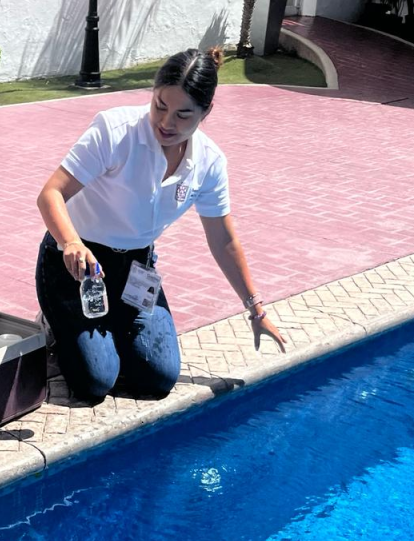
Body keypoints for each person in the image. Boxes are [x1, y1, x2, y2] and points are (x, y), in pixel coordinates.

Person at [35, 47, 287, 402]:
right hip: (77, 265)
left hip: (136, 268)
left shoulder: (209, 162)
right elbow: (51, 194)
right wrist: (71, 243)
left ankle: (107, 327)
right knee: (96, 382)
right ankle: (56, 323)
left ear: (206, 112)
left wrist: (256, 310)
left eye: (184, 114)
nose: (167, 123)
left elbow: (223, 239)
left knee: (158, 377)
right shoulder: (115, 130)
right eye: (160, 106)